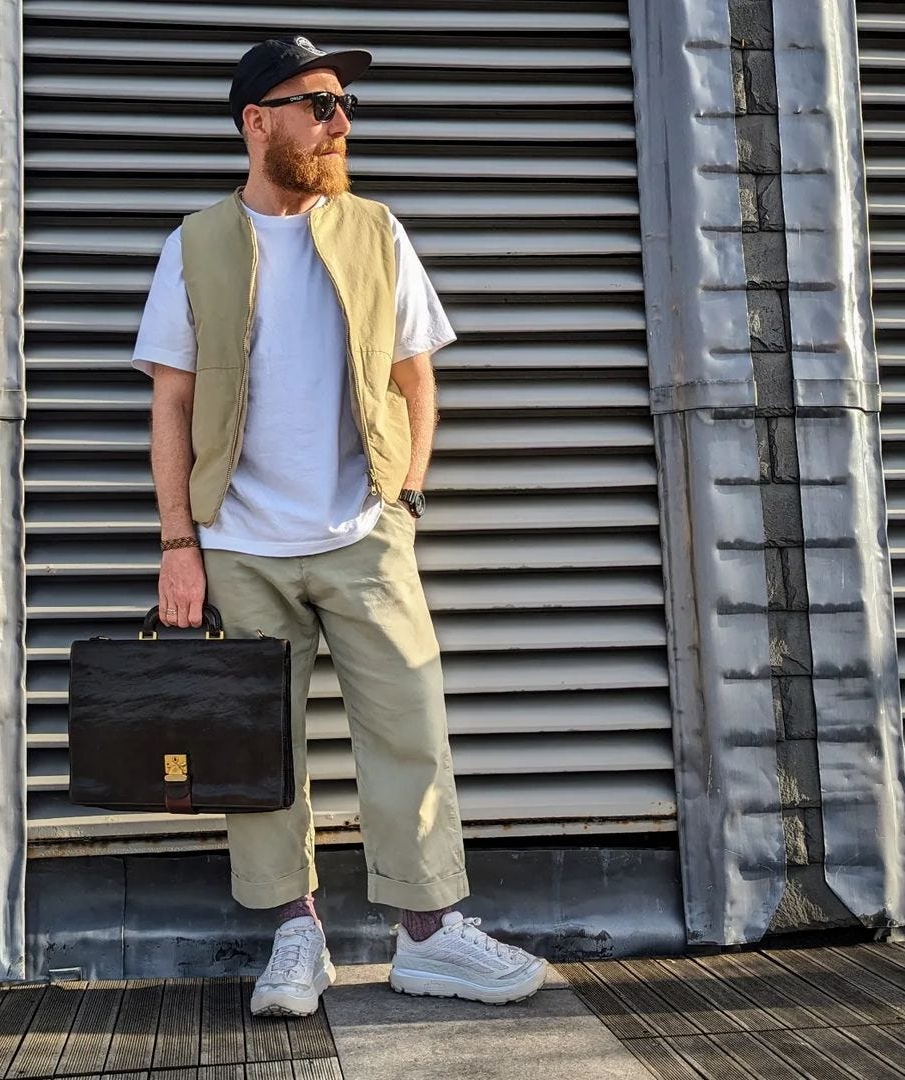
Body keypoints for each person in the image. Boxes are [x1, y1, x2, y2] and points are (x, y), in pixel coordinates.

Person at [132, 35, 564, 1016]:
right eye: (317, 103)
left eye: (343, 104)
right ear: (257, 122)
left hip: (366, 530)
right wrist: (177, 544)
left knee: (409, 728)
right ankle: (296, 936)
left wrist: (404, 502)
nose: (340, 122)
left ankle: (428, 939)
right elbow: (169, 403)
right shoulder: (194, 243)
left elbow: (417, 381)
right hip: (239, 543)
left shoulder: (376, 231)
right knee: (258, 755)